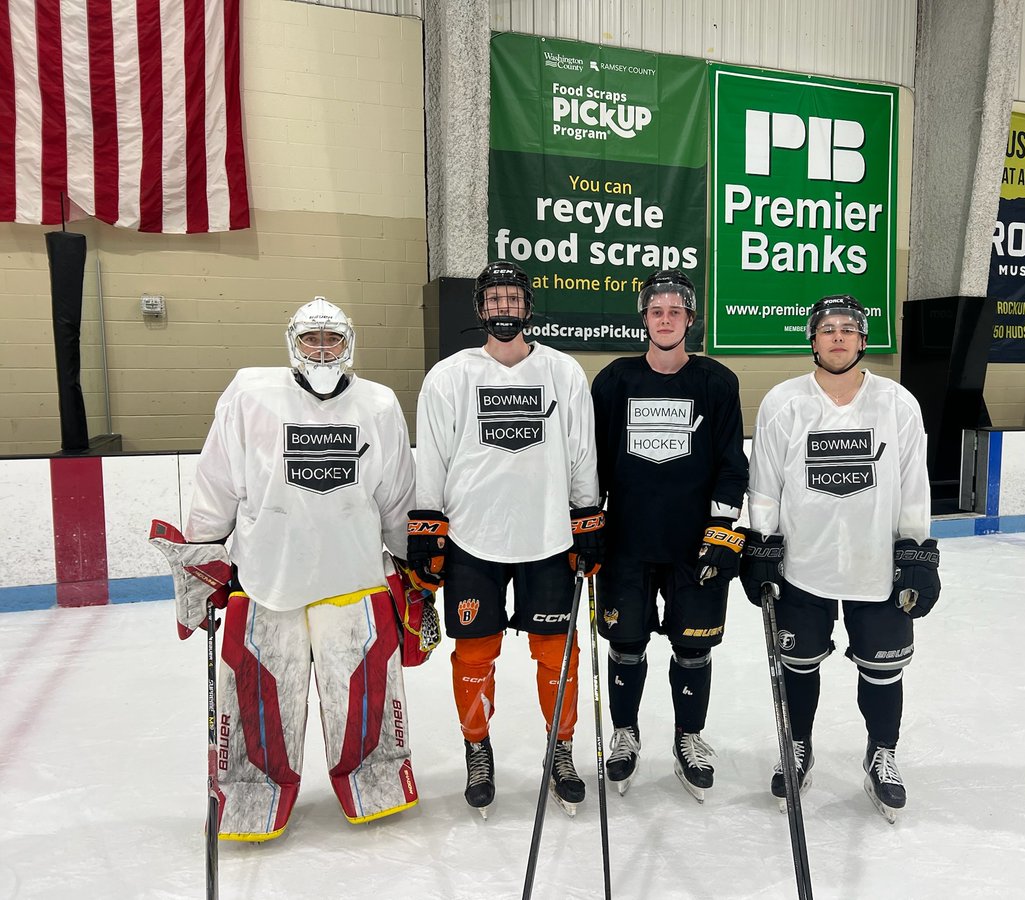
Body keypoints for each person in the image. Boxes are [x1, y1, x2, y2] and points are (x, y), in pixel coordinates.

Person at [154, 297, 427, 841]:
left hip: (355, 579)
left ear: (350, 343)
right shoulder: (251, 395)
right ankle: (253, 789)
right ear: (292, 342)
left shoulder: (378, 402)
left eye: (333, 340)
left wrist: (409, 561)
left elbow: (397, 492)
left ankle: (373, 778)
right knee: (262, 695)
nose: (323, 349)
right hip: (267, 579)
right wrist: (206, 552)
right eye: (311, 339)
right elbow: (217, 480)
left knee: (364, 693)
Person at [408, 260, 603, 819]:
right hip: (473, 540)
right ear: (480, 309)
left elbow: (581, 453)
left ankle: (560, 750)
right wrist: (427, 530)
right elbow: (434, 458)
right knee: (473, 655)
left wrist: (586, 521)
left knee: (557, 656)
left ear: (527, 307)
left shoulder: (562, 373)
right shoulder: (449, 376)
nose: (504, 308)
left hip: (546, 539)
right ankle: (477, 749)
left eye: (513, 299)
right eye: (494, 299)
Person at [740, 294, 941, 823]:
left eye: (847, 329)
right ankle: (798, 745)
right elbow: (765, 485)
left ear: (863, 339)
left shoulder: (897, 403)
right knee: (799, 662)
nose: (837, 337)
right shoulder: (784, 402)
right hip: (803, 566)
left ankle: (882, 753)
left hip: (876, 564)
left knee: (882, 668)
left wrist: (917, 550)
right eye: (826, 328)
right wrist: (762, 543)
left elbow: (914, 485)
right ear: (812, 338)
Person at [590, 269, 748, 802]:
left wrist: (722, 529)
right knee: (626, 644)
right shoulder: (614, 381)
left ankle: (688, 737)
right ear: (644, 319)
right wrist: (587, 524)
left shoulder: (717, 383)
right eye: (656, 311)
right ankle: (626, 733)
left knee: (692, 649)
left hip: (693, 546)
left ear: (689, 319)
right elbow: (591, 464)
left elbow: (731, 462)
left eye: (675, 311)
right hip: (627, 544)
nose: (665, 319)